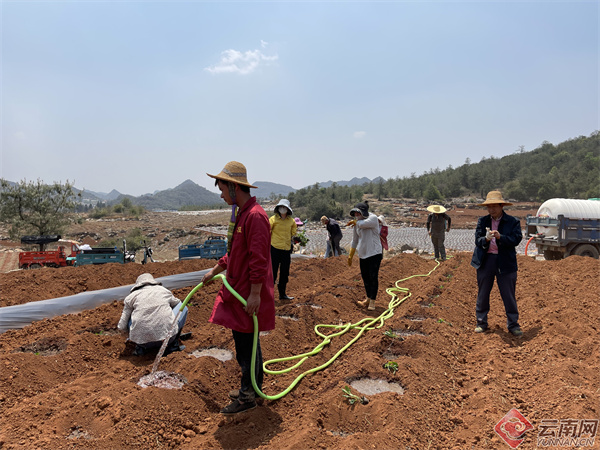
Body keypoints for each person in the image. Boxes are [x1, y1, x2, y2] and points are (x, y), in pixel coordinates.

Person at [202, 161, 275, 415]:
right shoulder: (242, 214)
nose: (222, 195)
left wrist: (255, 294)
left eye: (223, 189)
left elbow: (258, 259)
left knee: (246, 346)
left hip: (246, 294)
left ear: (234, 187)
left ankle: (247, 397)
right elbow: (234, 252)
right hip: (239, 291)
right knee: (248, 343)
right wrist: (215, 270)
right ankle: (252, 388)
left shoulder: (255, 216)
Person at [471, 191, 523, 337]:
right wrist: (486, 239)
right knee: (483, 293)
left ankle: (513, 324)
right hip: (486, 261)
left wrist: (501, 237)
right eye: (489, 207)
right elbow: (477, 240)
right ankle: (481, 322)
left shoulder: (512, 222)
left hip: (505, 262)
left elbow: (516, 239)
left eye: (494, 206)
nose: (491, 209)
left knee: (508, 294)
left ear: (501, 206)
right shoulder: (483, 221)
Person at [117, 273, 188, 356]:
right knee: (182, 307)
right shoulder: (163, 290)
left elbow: (121, 326)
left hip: (143, 343)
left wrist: (131, 336)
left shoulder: (130, 297)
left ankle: (140, 349)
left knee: (130, 315)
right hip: (167, 339)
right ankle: (173, 344)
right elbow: (177, 303)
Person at [347, 202, 383, 311]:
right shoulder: (357, 223)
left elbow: (363, 224)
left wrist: (356, 222)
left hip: (374, 253)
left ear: (363, 212)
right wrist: (351, 254)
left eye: (358, 213)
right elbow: (355, 240)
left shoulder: (372, 218)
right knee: (365, 277)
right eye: (355, 214)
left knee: (373, 277)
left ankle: (373, 301)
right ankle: (368, 298)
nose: (356, 215)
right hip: (363, 254)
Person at [270, 199, 297, 300]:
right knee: (272, 272)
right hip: (274, 249)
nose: (282, 209)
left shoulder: (291, 221)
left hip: (286, 249)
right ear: (278, 208)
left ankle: (282, 294)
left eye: (284, 207)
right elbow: (267, 232)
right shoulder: (273, 220)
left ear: (288, 209)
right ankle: (269, 295)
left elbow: (293, 234)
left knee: (284, 272)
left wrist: (296, 239)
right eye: (281, 207)